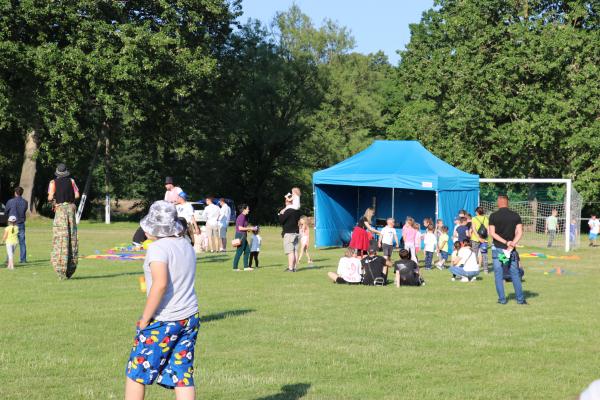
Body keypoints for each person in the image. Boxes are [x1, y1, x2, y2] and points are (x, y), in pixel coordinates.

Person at [124, 200, 199, 400]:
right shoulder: (186, 244)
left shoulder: (158, 249)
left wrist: (145, 319)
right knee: (182, 374)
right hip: (189, 316)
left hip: (165, 319)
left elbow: (160, 285)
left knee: (136, 371)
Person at [489, 193, 526, 305]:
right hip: (510, 250)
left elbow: (492, 233)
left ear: (499, 202)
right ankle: (520, 300)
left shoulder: (493, 216)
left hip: (499, 249)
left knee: (498, 274)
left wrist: (506, 242)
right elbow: (520, 232)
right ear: (507, 202)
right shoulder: (515, 216)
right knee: (514, 273)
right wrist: (512, 243)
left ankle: (502, 299)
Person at [48, 163, 80, 280]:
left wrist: (54, 199)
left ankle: (60, 268)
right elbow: (77, 195)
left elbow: (50, 197)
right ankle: (70, 267)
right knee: (72, 236)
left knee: (61, 237)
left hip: (60, 209)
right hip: (71, 209)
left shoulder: (53, 182)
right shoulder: (71, 181)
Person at [5, 186, 28, 263]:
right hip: (21, 223)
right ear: (22, 193)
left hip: (12, 224)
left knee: (10, 241)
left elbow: (6, 211)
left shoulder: (10, 201)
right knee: (22, 242)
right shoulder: (25, 202)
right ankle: (23, 259)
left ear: (15, 193)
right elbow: (24, 211)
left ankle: (9, 259)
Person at [279, 198, 302, 272]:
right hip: (297, 232)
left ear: (287, 202)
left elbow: (281, 220)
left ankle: (290, 268)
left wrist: (281, 213)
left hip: (289, 233)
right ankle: (295, 267)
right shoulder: (297, 211)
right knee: (295, 251)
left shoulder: (288, 211)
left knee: (290, 252)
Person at [232, 204, 254, 271]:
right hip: (240, 236)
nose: (248, 210)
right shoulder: (241, 217)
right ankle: (235, 267)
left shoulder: (244, 216)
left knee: (247, 250)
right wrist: (249, 228)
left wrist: (249, 229)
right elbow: (240, 228)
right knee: (239, 251)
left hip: (243, 235)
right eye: (247, 209)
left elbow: (243, 227)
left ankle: (246, 267)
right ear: (244, 210)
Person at [471, 207, 490, 273]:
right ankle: (486, 270)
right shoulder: (486, 218)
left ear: (477, 212)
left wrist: (478, 238)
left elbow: (474, 229)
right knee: (484, 254)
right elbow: (488, 230)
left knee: (474, 254)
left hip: (475, 239)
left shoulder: (474, 218)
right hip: (484, 239)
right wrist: (486, 238)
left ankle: (474, 268)